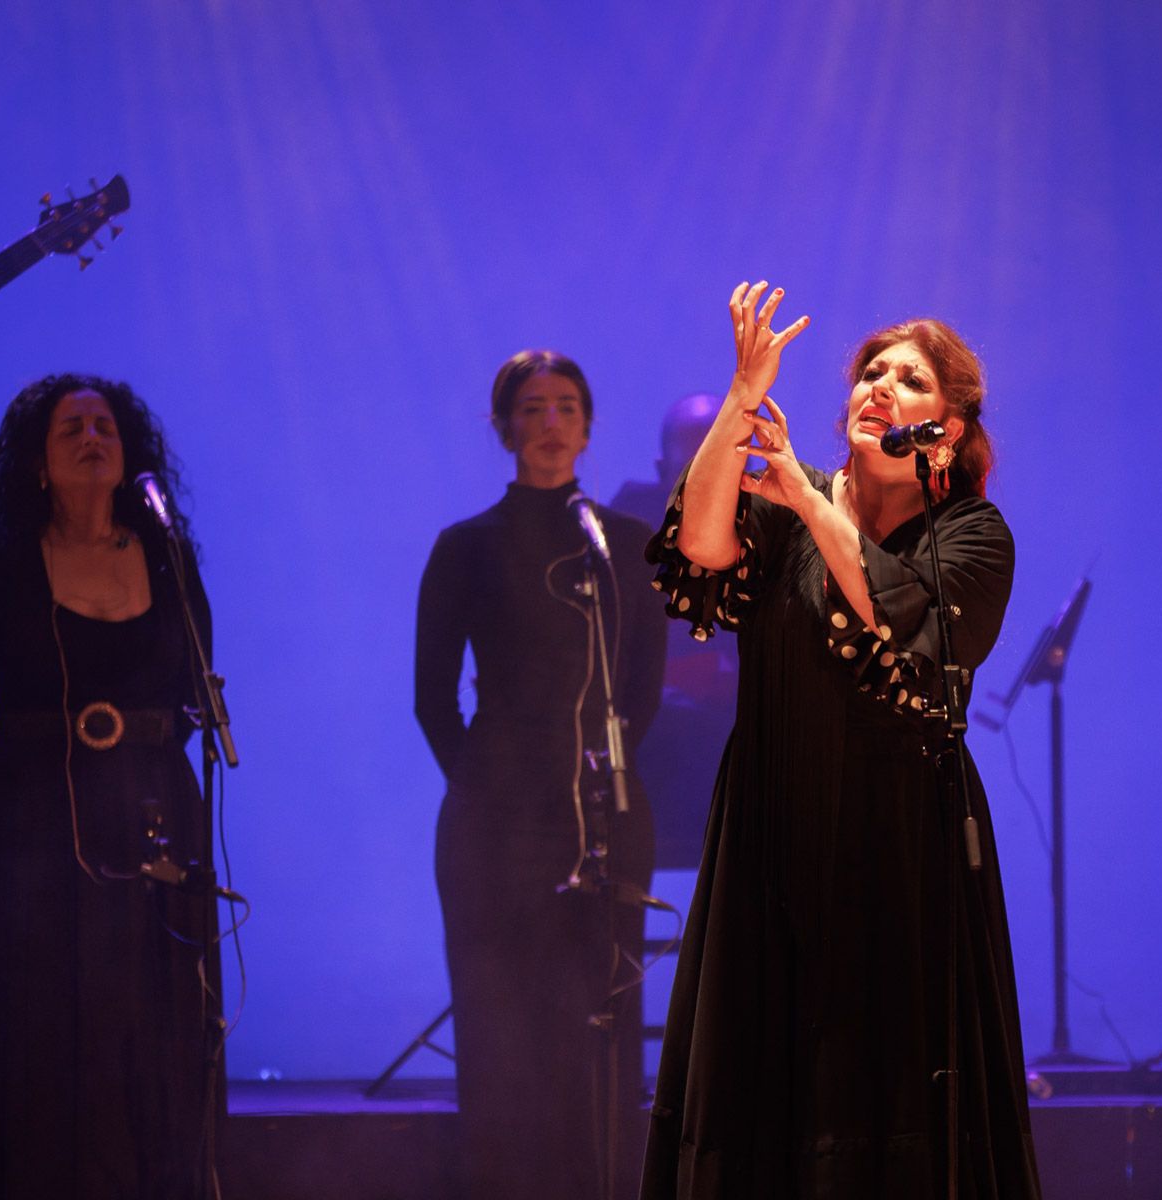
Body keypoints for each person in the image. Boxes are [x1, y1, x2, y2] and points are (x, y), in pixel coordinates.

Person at [640, 283, 1041, 1197]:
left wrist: (810, 497)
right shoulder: (786, 508)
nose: (879, 388)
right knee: (762, 1083)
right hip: (774, 820)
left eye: (909, 380)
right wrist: (743, 398)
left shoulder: (971, 535)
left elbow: (899, 618)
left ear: (946, 427)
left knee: (888, 1085)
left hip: (901, 840)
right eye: (870, 373)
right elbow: (698, 552)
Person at [0, 374, 219, 1199]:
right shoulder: (1, 570)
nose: (92, 436)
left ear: (129, 455)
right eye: (69, 428)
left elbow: (194, 690)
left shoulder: (170, 557)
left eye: (106, 426)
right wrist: (15, 793)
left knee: (149, 1025)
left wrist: (147, 766)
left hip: (156, 821)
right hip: (31, 844)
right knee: (43, 1036)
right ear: (38, 464)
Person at [413, 349, 666, 1198]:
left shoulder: (625, 547)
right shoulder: (466, 548)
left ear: (588, 427)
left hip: (602, 813)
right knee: (503, 1036)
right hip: (495, 828)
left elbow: (641, 693)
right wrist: (488, 789)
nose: (549, 422)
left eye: (565, 407)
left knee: (596, 1035)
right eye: (532, 407)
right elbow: (431, 700)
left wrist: (592, 781)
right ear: (504, 427)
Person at [609, 392, 737, 869]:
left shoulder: (774, 533)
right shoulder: (623, 540)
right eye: (695, 462)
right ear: (665, 470)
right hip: (657, 764)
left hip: (744, 763)